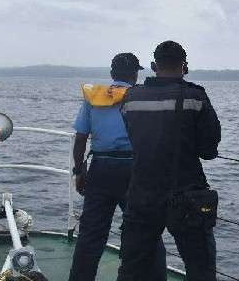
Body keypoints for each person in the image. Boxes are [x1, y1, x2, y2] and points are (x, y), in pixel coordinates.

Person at [117, 41, 221, 281]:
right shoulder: (196, 96)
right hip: (186, 195)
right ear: (184, 67)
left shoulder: (131, 98)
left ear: (154, 66)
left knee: (132, 268)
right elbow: (208, 149)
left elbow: (134, 136)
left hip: (141, 194)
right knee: (200, 268)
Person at [69, 53, 167, 281]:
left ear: (112, 73)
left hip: (101, 168)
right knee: (146, 229)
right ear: (135, 75)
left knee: (91, 234)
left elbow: (81, 138)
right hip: (135, 169)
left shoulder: (93, 98)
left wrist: (78, 170)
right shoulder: (142, 97)